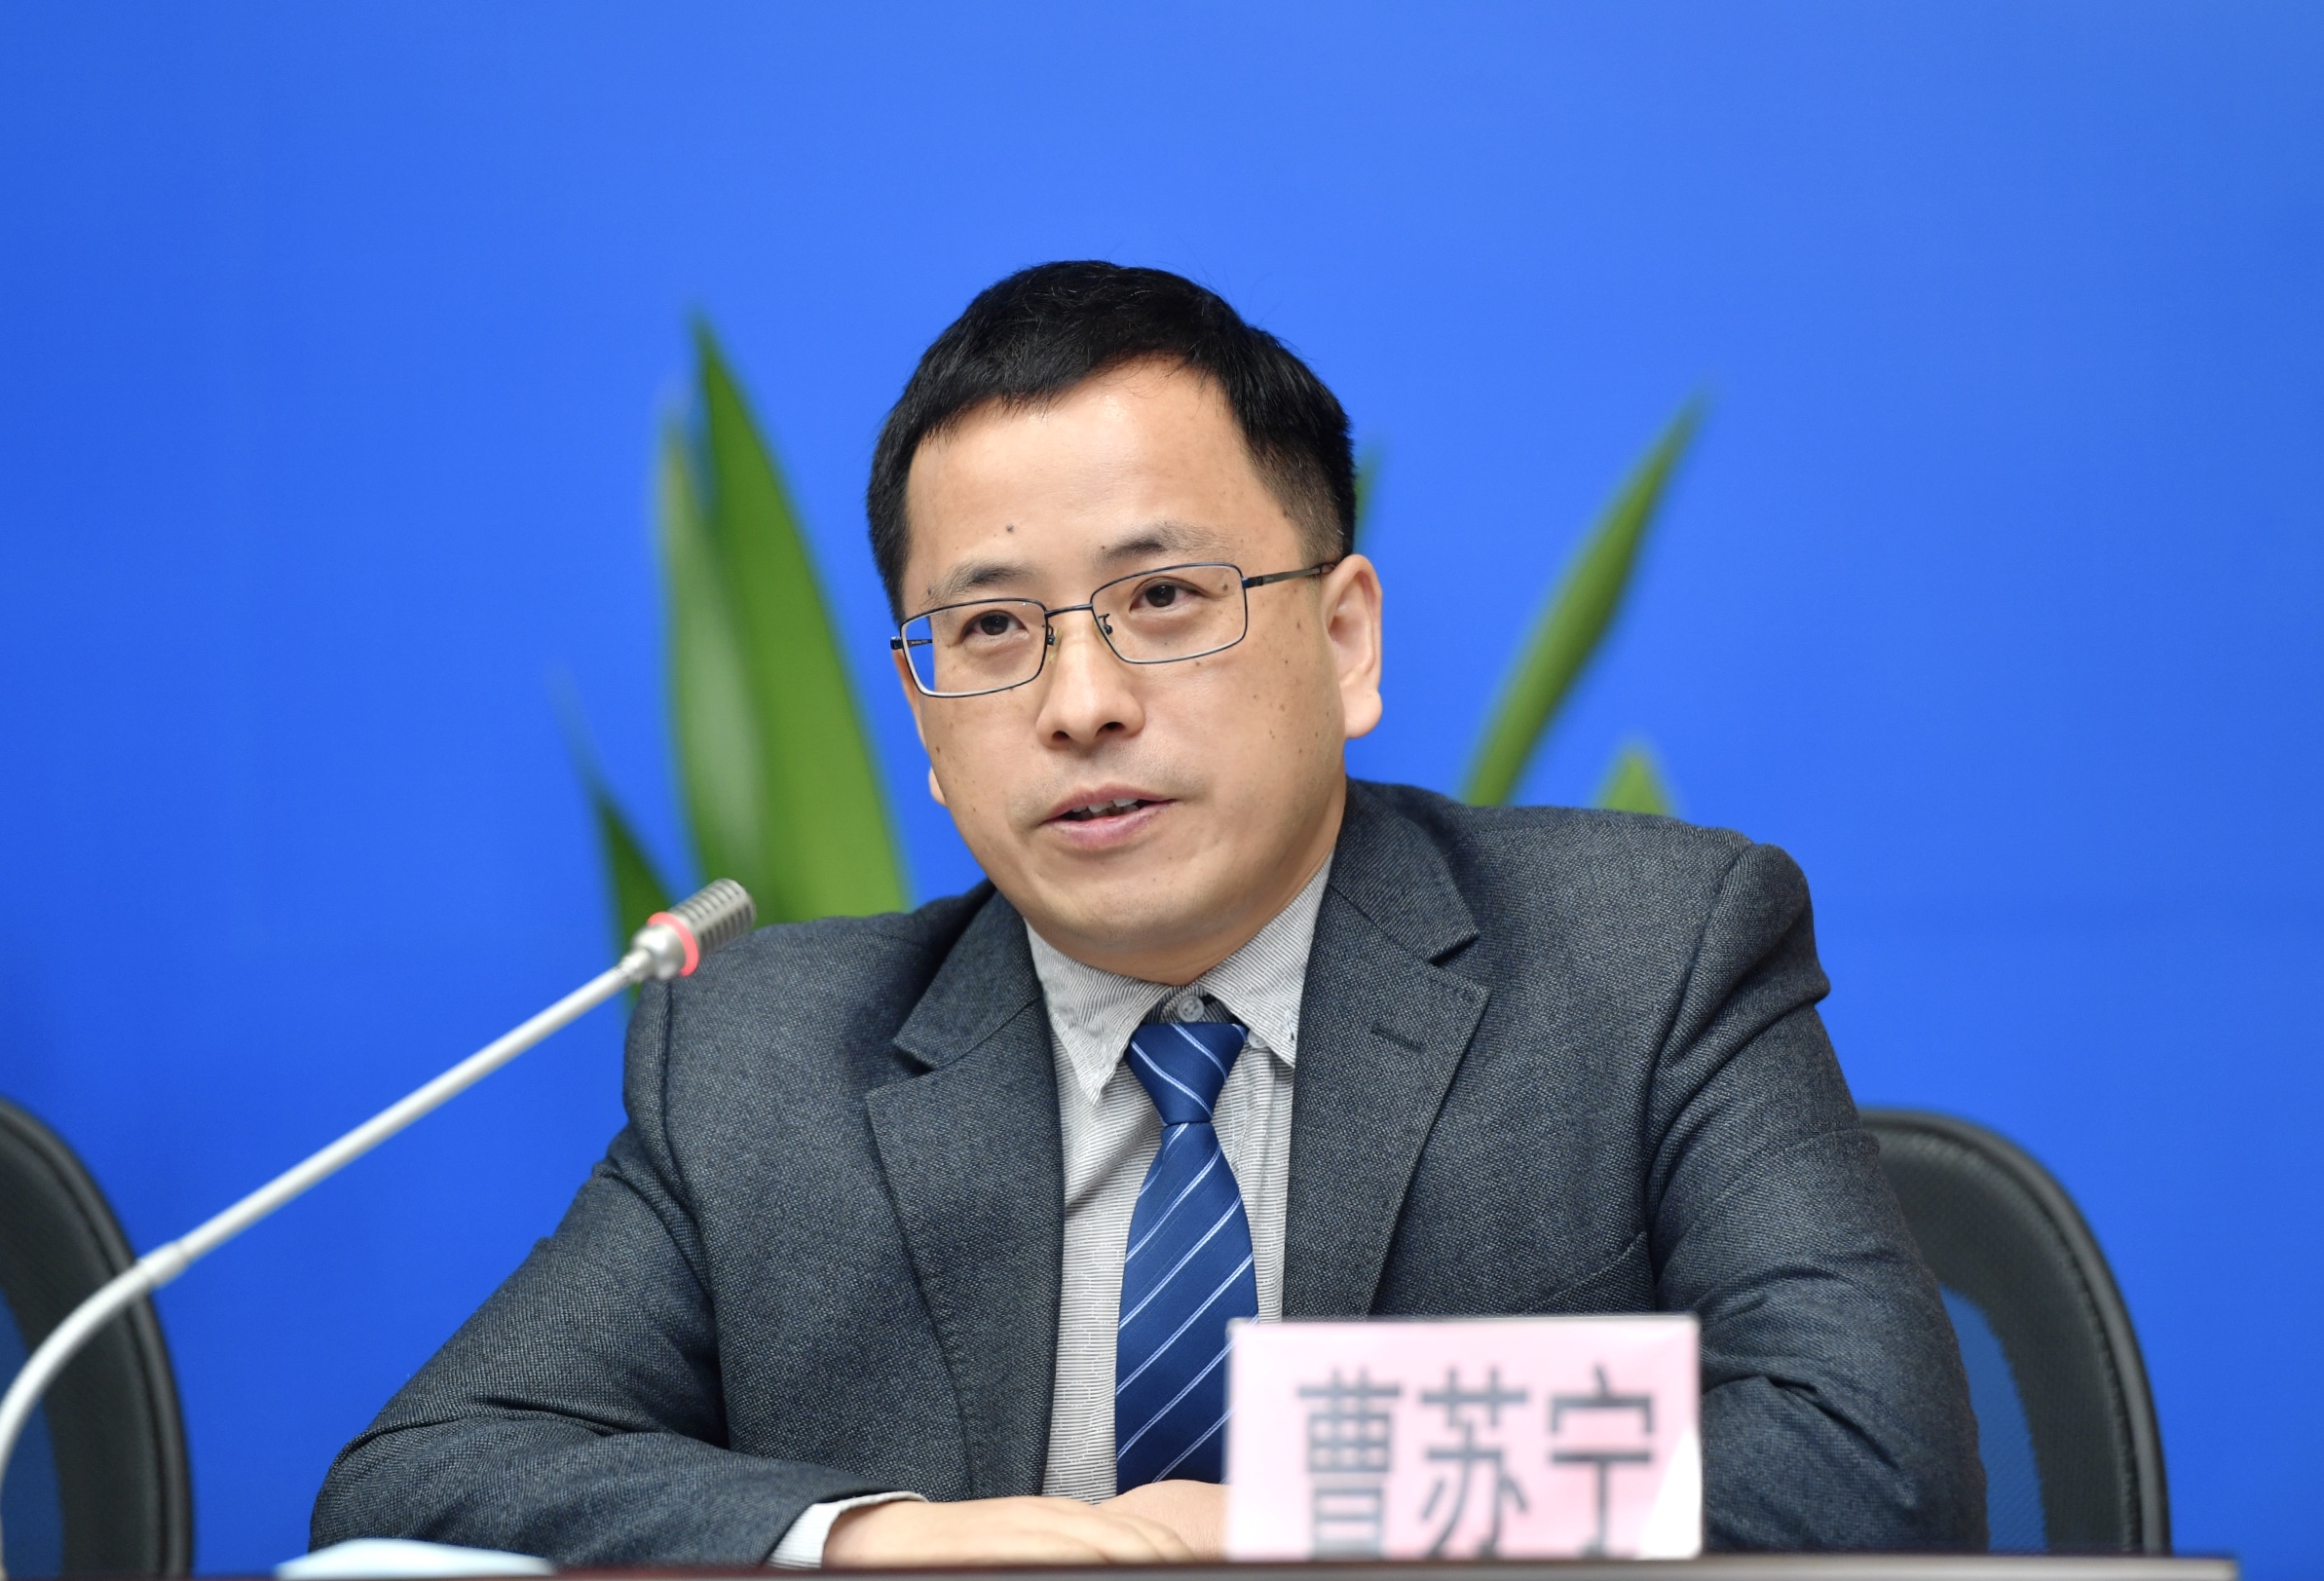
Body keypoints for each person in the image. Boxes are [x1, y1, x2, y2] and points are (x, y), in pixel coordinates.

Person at [312, 262, 1983, 1566]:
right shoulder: (766, 1060)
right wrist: (878, 1542)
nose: (1079, 702)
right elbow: (424, 1477)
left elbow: (1873, 1460)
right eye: (989, 631)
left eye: (1164, 598)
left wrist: (1290, 1514)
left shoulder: (1643, 956)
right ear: (926, 727)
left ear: (1345, 643)